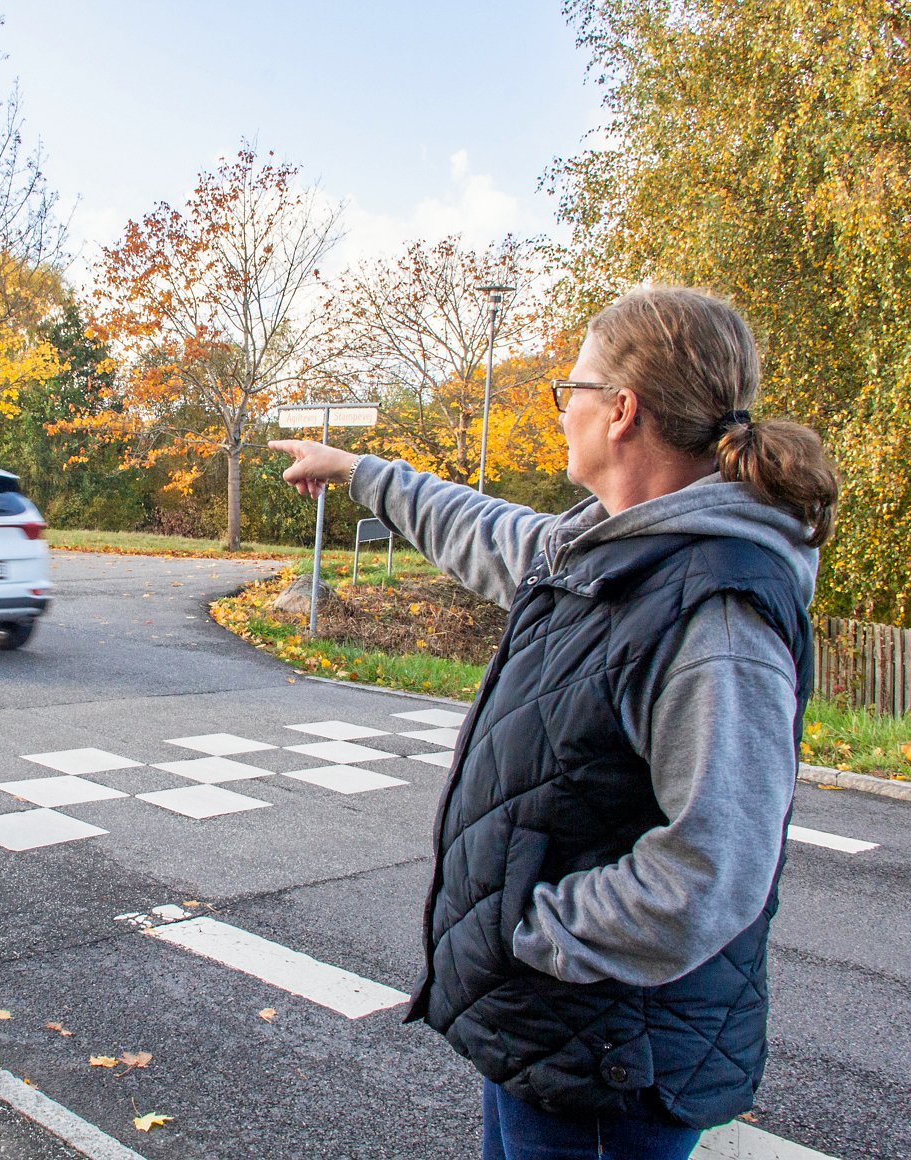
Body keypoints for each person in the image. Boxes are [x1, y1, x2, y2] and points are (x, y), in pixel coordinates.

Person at [271, 287, 838, 1160]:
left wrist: (537, 931)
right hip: (552, 1027)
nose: (561, 408)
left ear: (622, 411)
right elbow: (483, 529)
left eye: (571, 388)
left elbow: (714, 870)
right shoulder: (607, 551)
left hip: (610, 1053)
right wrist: (358, 471)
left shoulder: (715, 613)